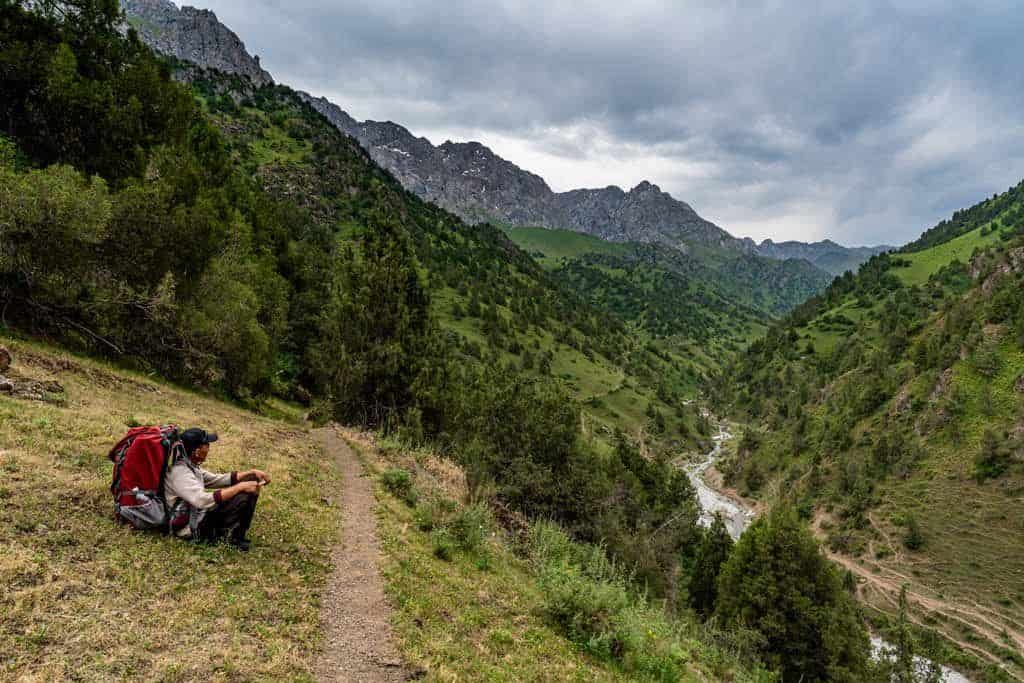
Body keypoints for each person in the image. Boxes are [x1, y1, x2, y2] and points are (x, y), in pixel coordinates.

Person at [164, 427, 270, 551]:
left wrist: (251, 473)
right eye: (206, 444)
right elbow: (202, 500)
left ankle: (237, 534)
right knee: (242, 492)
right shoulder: (180, 473)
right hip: (191, 527)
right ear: (197, 451)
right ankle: (231, 538)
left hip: (198, 515)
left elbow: (216, 479)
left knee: (250, 479)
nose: (208, 447)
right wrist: (240, 487)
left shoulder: (190, 465)